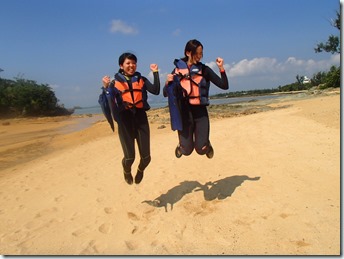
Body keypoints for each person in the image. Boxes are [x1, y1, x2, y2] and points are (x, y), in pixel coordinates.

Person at [164, 39, 228, 159]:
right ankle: (181, 146)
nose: (199, 57)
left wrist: (221, 68)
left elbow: (224, 86)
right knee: (186, 151)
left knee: (201, 149)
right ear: (188, 53)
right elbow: (165, 93)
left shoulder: (204, 70)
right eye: (197, 53)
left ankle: (207, 144)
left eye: (201, 54)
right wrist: (168, 82)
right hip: (184, 113)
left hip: (200, 112)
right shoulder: (177, 70)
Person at [102, 52, 160, 185]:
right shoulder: (113, 84)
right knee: (129, 158)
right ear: (121, 66)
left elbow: (156, 90)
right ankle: (127, 171)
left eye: (133, 63)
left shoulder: (142, 80)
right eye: (128, 63)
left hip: (141, 118)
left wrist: (155, 72)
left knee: (146, 158)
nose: (131, 65)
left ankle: (140, 170)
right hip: (125, 121)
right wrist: (105, 88)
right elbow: (106, 102)